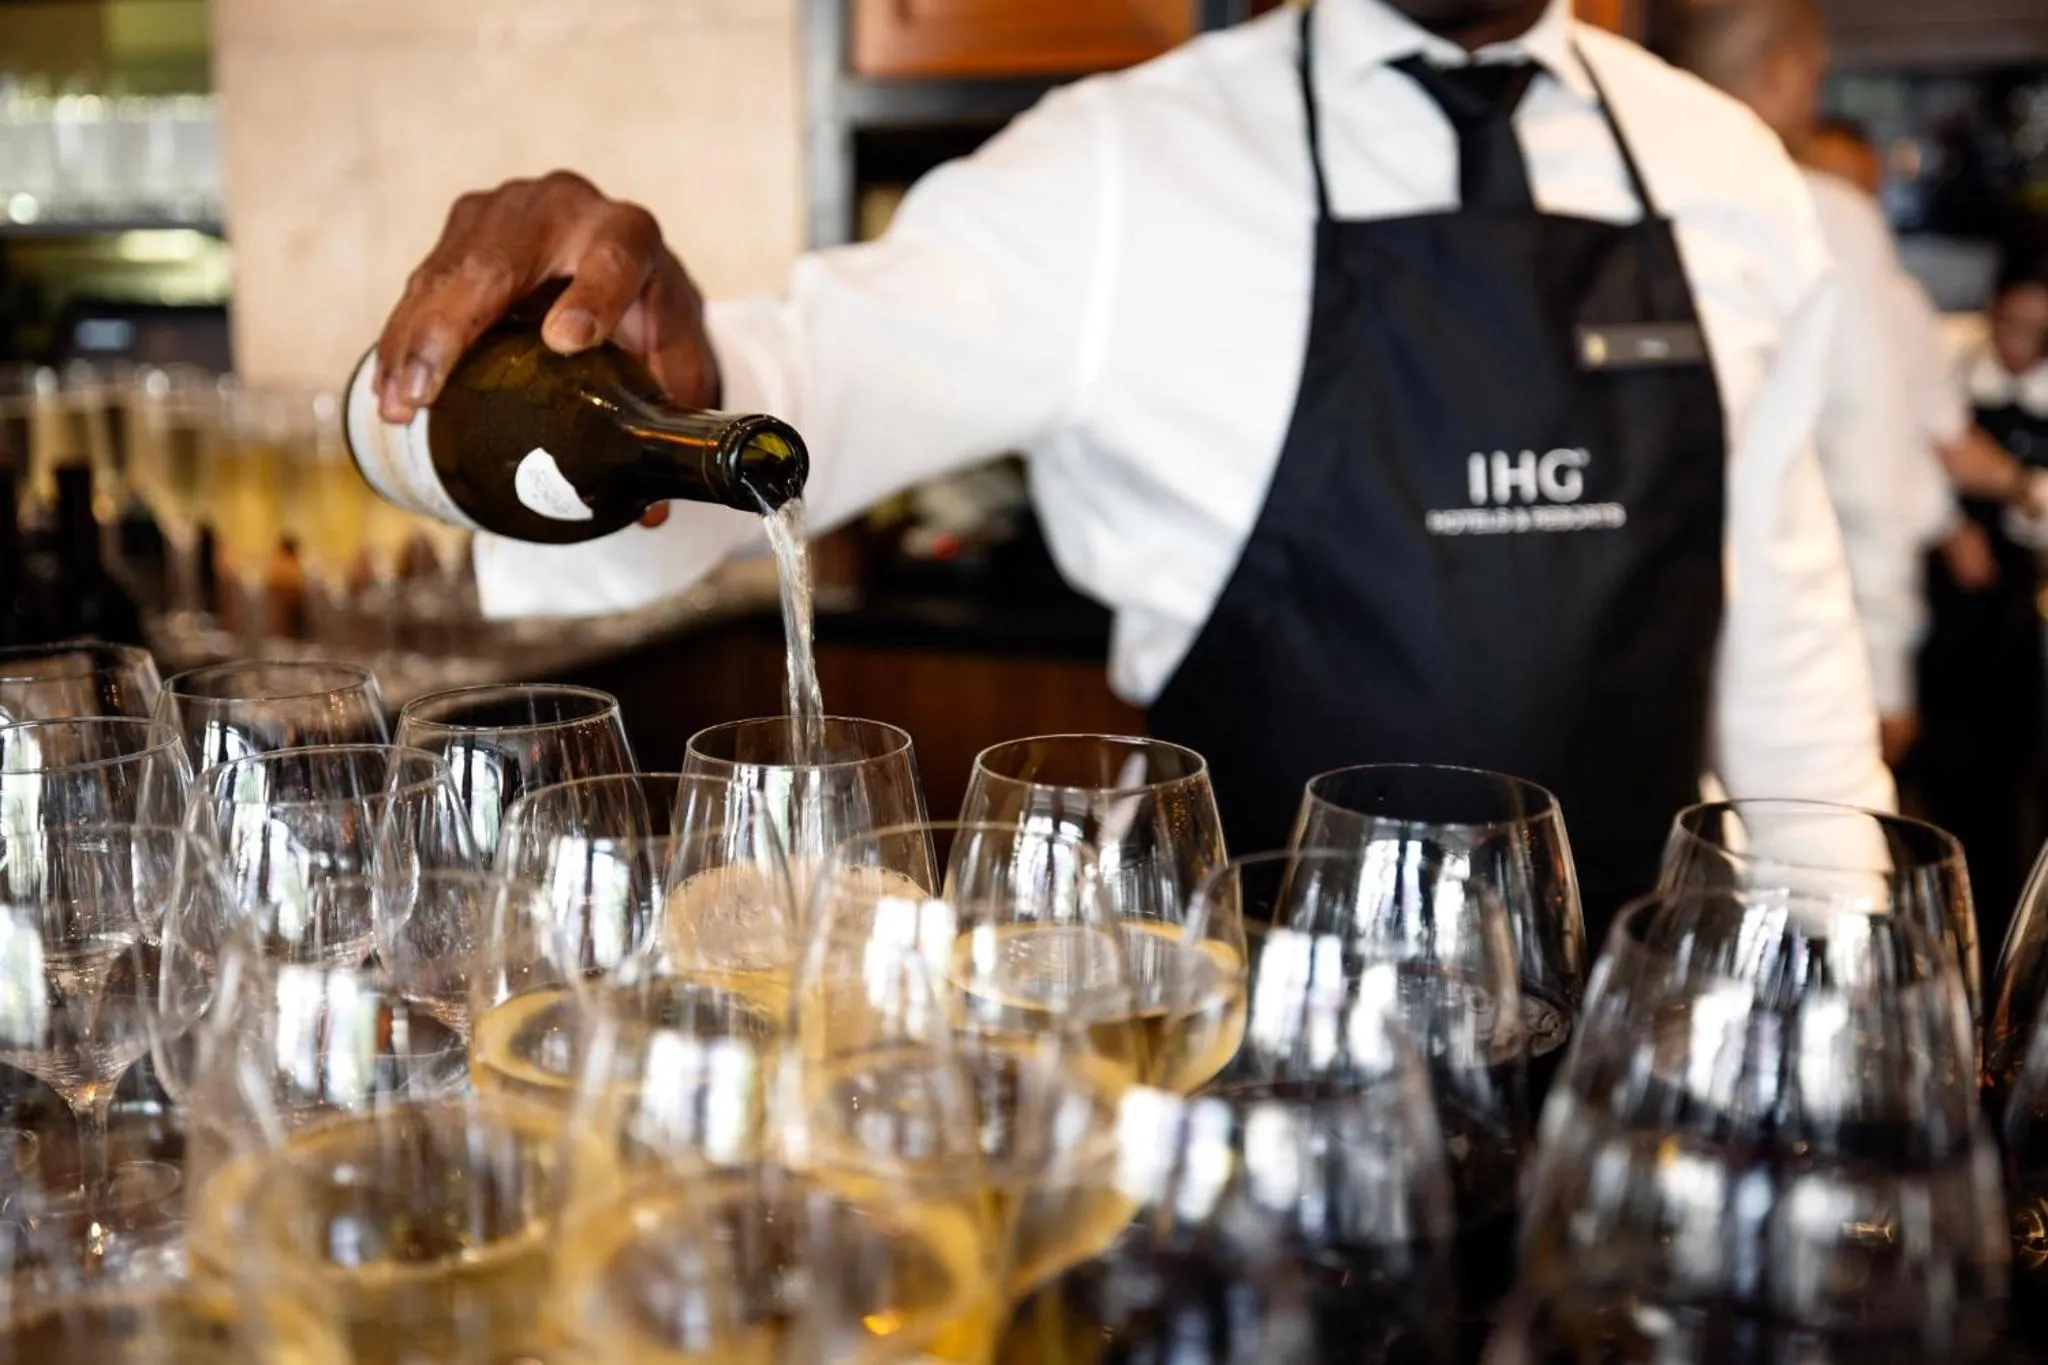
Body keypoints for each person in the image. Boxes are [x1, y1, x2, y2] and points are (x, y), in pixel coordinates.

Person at [370, 0, 1891, 931]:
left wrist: (1841, 985)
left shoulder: (1727, 174)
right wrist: (540, 367)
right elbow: (766, 403)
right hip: (1244, 1057)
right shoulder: (1117, 169)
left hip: (1641, 1047)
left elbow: (1782, 641)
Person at [1648, 0, 1952, 772]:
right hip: (1785, 640)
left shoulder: (1608, 193)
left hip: (1636, 625)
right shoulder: (1820, 212)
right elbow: (1869, 453)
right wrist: (1885, 663)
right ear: (1782, 74)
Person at [1919, 231, 2048, 930]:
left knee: (2000, 802)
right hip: (1926, 613)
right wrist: (1942, 521)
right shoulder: (1944, 359)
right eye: (2010, 323)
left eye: (2041, 333)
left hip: (2010, 627)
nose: (2019, 347)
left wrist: (2014, 483)